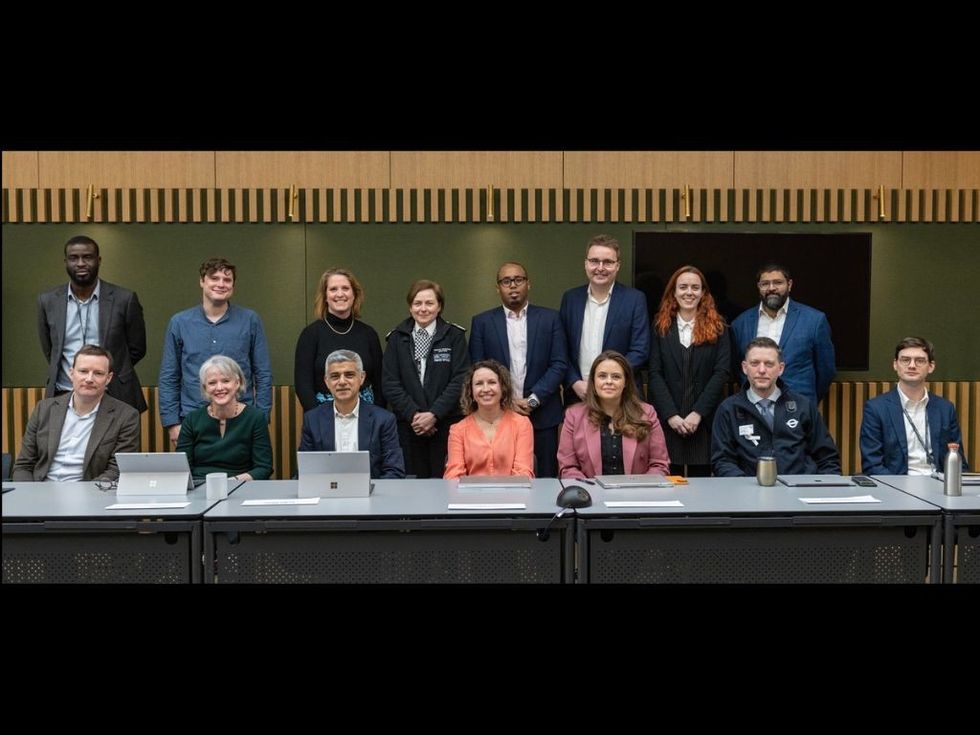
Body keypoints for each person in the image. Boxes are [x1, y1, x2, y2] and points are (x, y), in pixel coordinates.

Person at [159, 257, 272, 447]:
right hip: (192, 418)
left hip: (241, 418)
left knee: (242, 474)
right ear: (202, 281)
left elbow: (263, 374)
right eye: (214, 278)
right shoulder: (179, 323)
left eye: (227, 280)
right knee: (195, 476)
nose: (221, 284)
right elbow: (169, 375)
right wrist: (172, 423)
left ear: (233, 286)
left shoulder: (250, 320)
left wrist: (261, 417)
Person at [468, 262, 567, 477]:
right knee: (501, 476)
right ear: (498, 288)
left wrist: (533, 400)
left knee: (545, 479)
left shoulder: (550, 319)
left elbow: (559, 364)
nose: (513, 286)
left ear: (528, 284)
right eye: (506, 281)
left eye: (518, 280)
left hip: (542, 416)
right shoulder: (482, 322)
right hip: (497, 416)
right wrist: (507, 401)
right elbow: (477, 368)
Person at [37, 235, 148, 413]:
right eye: (74, 258)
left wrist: (102, 374)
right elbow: (51, 351)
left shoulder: (124, 299)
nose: (80, 263)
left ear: (99, 260)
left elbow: (137, 348)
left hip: (114, 394)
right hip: (64, 393)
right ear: (66, 262)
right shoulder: (48, 301)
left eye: (87, 257)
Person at [712, 337, 840, 477]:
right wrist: (746, 489)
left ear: (780, 369)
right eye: (754, 363)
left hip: (799, 490)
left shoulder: (803, 406)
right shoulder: (728, 409)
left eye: (769, 364)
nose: (761, 370)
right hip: (749, 493)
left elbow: (827, 459)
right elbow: (722, 461)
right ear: (744, 367)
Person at [648, 265, 731, 477]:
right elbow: (655, 373)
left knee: (702, 483)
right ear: (673, 292)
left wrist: (698, 413)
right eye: (683, 287)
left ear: (703, 293)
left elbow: (721, 372)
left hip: (704, 421)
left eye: (695, 287)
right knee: (667, 480)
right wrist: (671, 415)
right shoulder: (660, 327)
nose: (689, 292)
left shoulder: (719, 327)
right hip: (669, 420)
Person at [13, 345, 140, 481]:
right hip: (40, 491)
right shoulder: (44, 409)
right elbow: (24, 465)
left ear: (108, 378)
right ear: (72, 373)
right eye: (83, 371)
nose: (89, 379)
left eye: (98, 373)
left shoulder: (126, 416)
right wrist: (30, 496)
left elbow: (116, 470)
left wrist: (87, 496)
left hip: (91, 494)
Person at [383, 279, 469, 478]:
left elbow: (460, 379)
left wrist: (433, 415)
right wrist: (415, 415)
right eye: (417, 303)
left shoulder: (454, 336)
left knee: (446, 482)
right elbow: (390, 383)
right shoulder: (396, 338)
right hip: (408, 426)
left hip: (446, 424)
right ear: (410, 307)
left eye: (429, 303)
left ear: (439, 306)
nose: (423, 309)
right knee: (412, 486)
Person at [559, 234, 650, 401]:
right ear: (586, 264)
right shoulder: (570, 299)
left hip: (623, 396)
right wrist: (574, 381)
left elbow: (640, 350)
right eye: (594, 261)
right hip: (580, 394)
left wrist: (609, 382)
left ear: (617, 266)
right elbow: (561, 348)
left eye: (608, 262)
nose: (600, 267)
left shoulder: (635, 299)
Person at [860, 337, 969, 475]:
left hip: (939, 487)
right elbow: (872, 465)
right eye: (905, 360)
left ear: (931, 366)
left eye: (920, 360)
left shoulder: (945, 409)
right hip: (896, 489)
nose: (912, 365)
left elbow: (958, 460)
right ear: (895, 365)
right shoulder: (876, 408)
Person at [730, 263, 836, 403]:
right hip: (753, 407)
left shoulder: (814, 321)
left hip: (799, 408)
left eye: (778, 282)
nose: (771, 288)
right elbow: (738, 367)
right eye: (765, 283)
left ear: (789, 285)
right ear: (758, 287)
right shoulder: (740, 323)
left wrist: (807, 403)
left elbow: (826, 371)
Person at [558, 351, 670, 479]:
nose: (609, 381)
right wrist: (591, 491)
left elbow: (659, 465)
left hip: (637, 494)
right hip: (590, 494)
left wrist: (638, 490)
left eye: (616, 377)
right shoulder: (574, 416)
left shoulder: (647, 413)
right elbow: (568, 468)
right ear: (593, 381)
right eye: (602, 376)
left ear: (626, 382)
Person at [299, 350, 405, 479]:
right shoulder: (312, 420)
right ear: (326, 381)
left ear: (362, 377)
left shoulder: (383, 420)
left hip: (371, 495)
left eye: (349, 375)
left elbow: (394, 471)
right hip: (326, 495)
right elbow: (304, 472)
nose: (342, 382)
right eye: (335, 376)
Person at [294, 267, 385, 413]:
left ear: (354, 294)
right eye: (333, 289)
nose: (340, 294)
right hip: (322, 417)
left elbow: (381, 383)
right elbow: (303, 385)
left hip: (366, 418)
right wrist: (320, 420)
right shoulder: (310, 334)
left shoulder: (369, 334)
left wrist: (375, 418)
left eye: (345, 288)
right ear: (325, 296)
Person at [175, 355, 273, 483]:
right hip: (199, 487)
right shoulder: (192, 419)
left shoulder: (255, 418)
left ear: (237, 383)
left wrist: (230, 482)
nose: (219, 388)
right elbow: (182, 469)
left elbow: (263, 468)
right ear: (205, 388)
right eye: (212, 383)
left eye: (226, 381)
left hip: (241, 486)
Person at [445, 360, 534, 479]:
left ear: (503, 388)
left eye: (492, 382)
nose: (485, 389)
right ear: (470, 391)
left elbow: (523, 473)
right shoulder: (457, 430)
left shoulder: (522, 425)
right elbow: (453, 477)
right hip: (470, 497)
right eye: (479, 384)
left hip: (513, 495)